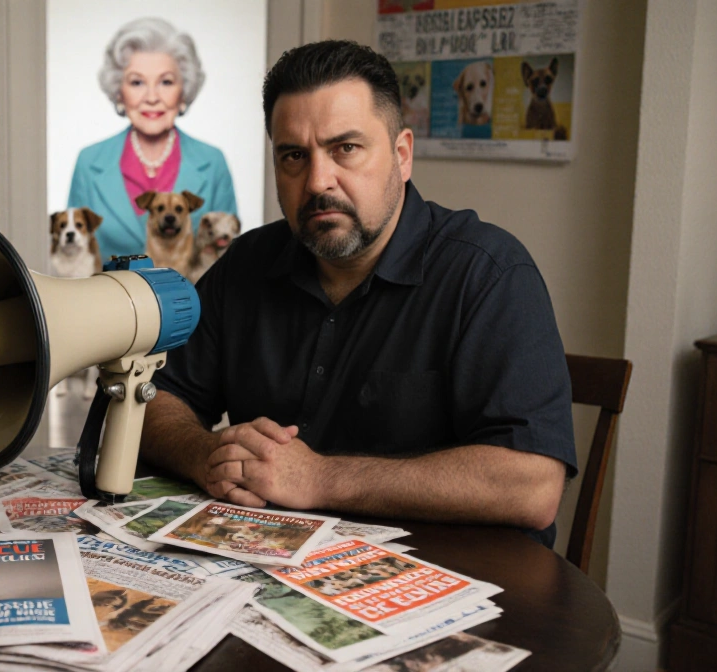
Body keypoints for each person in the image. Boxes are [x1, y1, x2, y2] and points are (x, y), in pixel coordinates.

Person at [141, 40, 576, 547]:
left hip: (450, 583)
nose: (318, 180)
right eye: (293, 156)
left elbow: (533, 486)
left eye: (345, 148)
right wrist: (203, 453)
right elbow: (154, 398)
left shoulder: (489, 274)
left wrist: (320, 478)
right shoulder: (245, 265)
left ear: (401, 154)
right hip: (263, 565)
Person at [67, 17, 238, 262]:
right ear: (119, 91)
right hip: (109, 298)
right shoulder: (89, 162)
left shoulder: (213, 162)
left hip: (194, 299)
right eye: (137, 82)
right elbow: (76, 259)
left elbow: (229, 257)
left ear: (183, 91)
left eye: (166, 82)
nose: (151, 97)